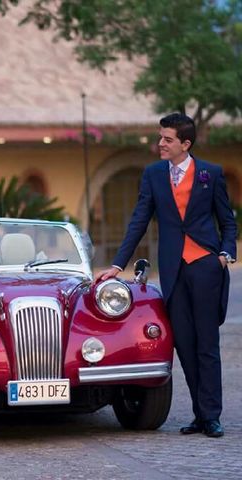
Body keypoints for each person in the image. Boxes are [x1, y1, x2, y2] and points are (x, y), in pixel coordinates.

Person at [96, 113, 237, 438]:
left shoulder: (210, 174)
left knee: (207, 345)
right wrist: (118, 265)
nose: (160, 144)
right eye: (160, 137)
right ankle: (200, 416)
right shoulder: (154, 175)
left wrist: (223, 256)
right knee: (184, 344)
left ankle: (212, 416)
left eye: (167, 139)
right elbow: (139, 220)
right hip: (173, 269)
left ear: (185, 144)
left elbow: (228, 221)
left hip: (205, 267)